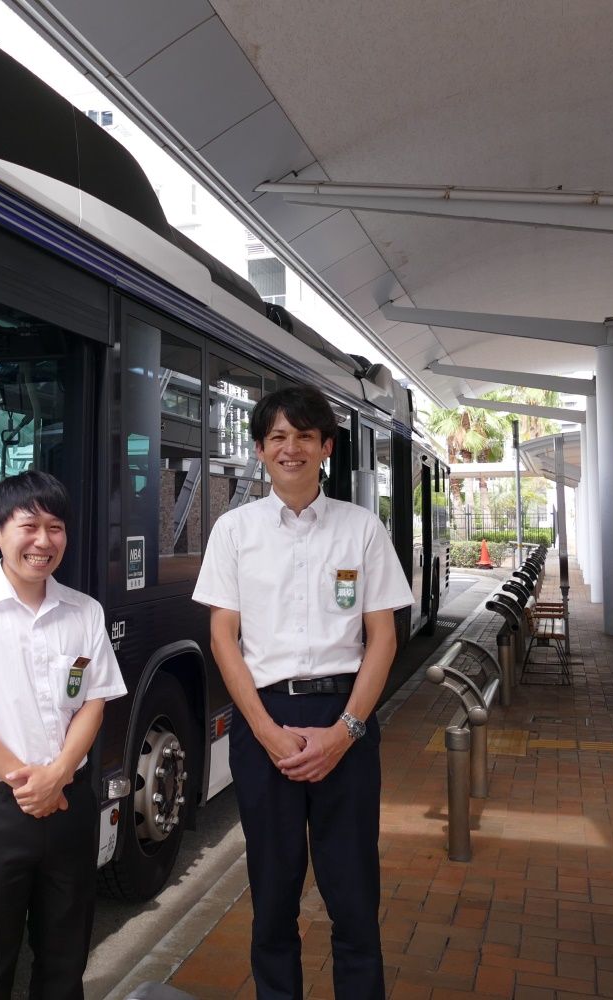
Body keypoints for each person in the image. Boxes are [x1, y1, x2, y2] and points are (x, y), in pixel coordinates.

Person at [192, 385, 411, 1000]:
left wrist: (345, 731)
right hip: (266, 720)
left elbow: (383, 637)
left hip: (346, 715)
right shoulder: (234, 531)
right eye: (278, 438)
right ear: (260, 449)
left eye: (305, 437)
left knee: (354, 898)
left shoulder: (361, 529)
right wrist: (264, 730)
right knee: (272, 898)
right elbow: (222, 637)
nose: (291, 449)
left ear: (326, 448)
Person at [0, 469, 126, 1000]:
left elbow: (94, 701)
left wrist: (57, 776)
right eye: (28, 526)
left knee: (65, 962)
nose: (43, 541)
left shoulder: (84, 612)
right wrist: (29, 784)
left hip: (69, 806)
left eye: (55, 527)